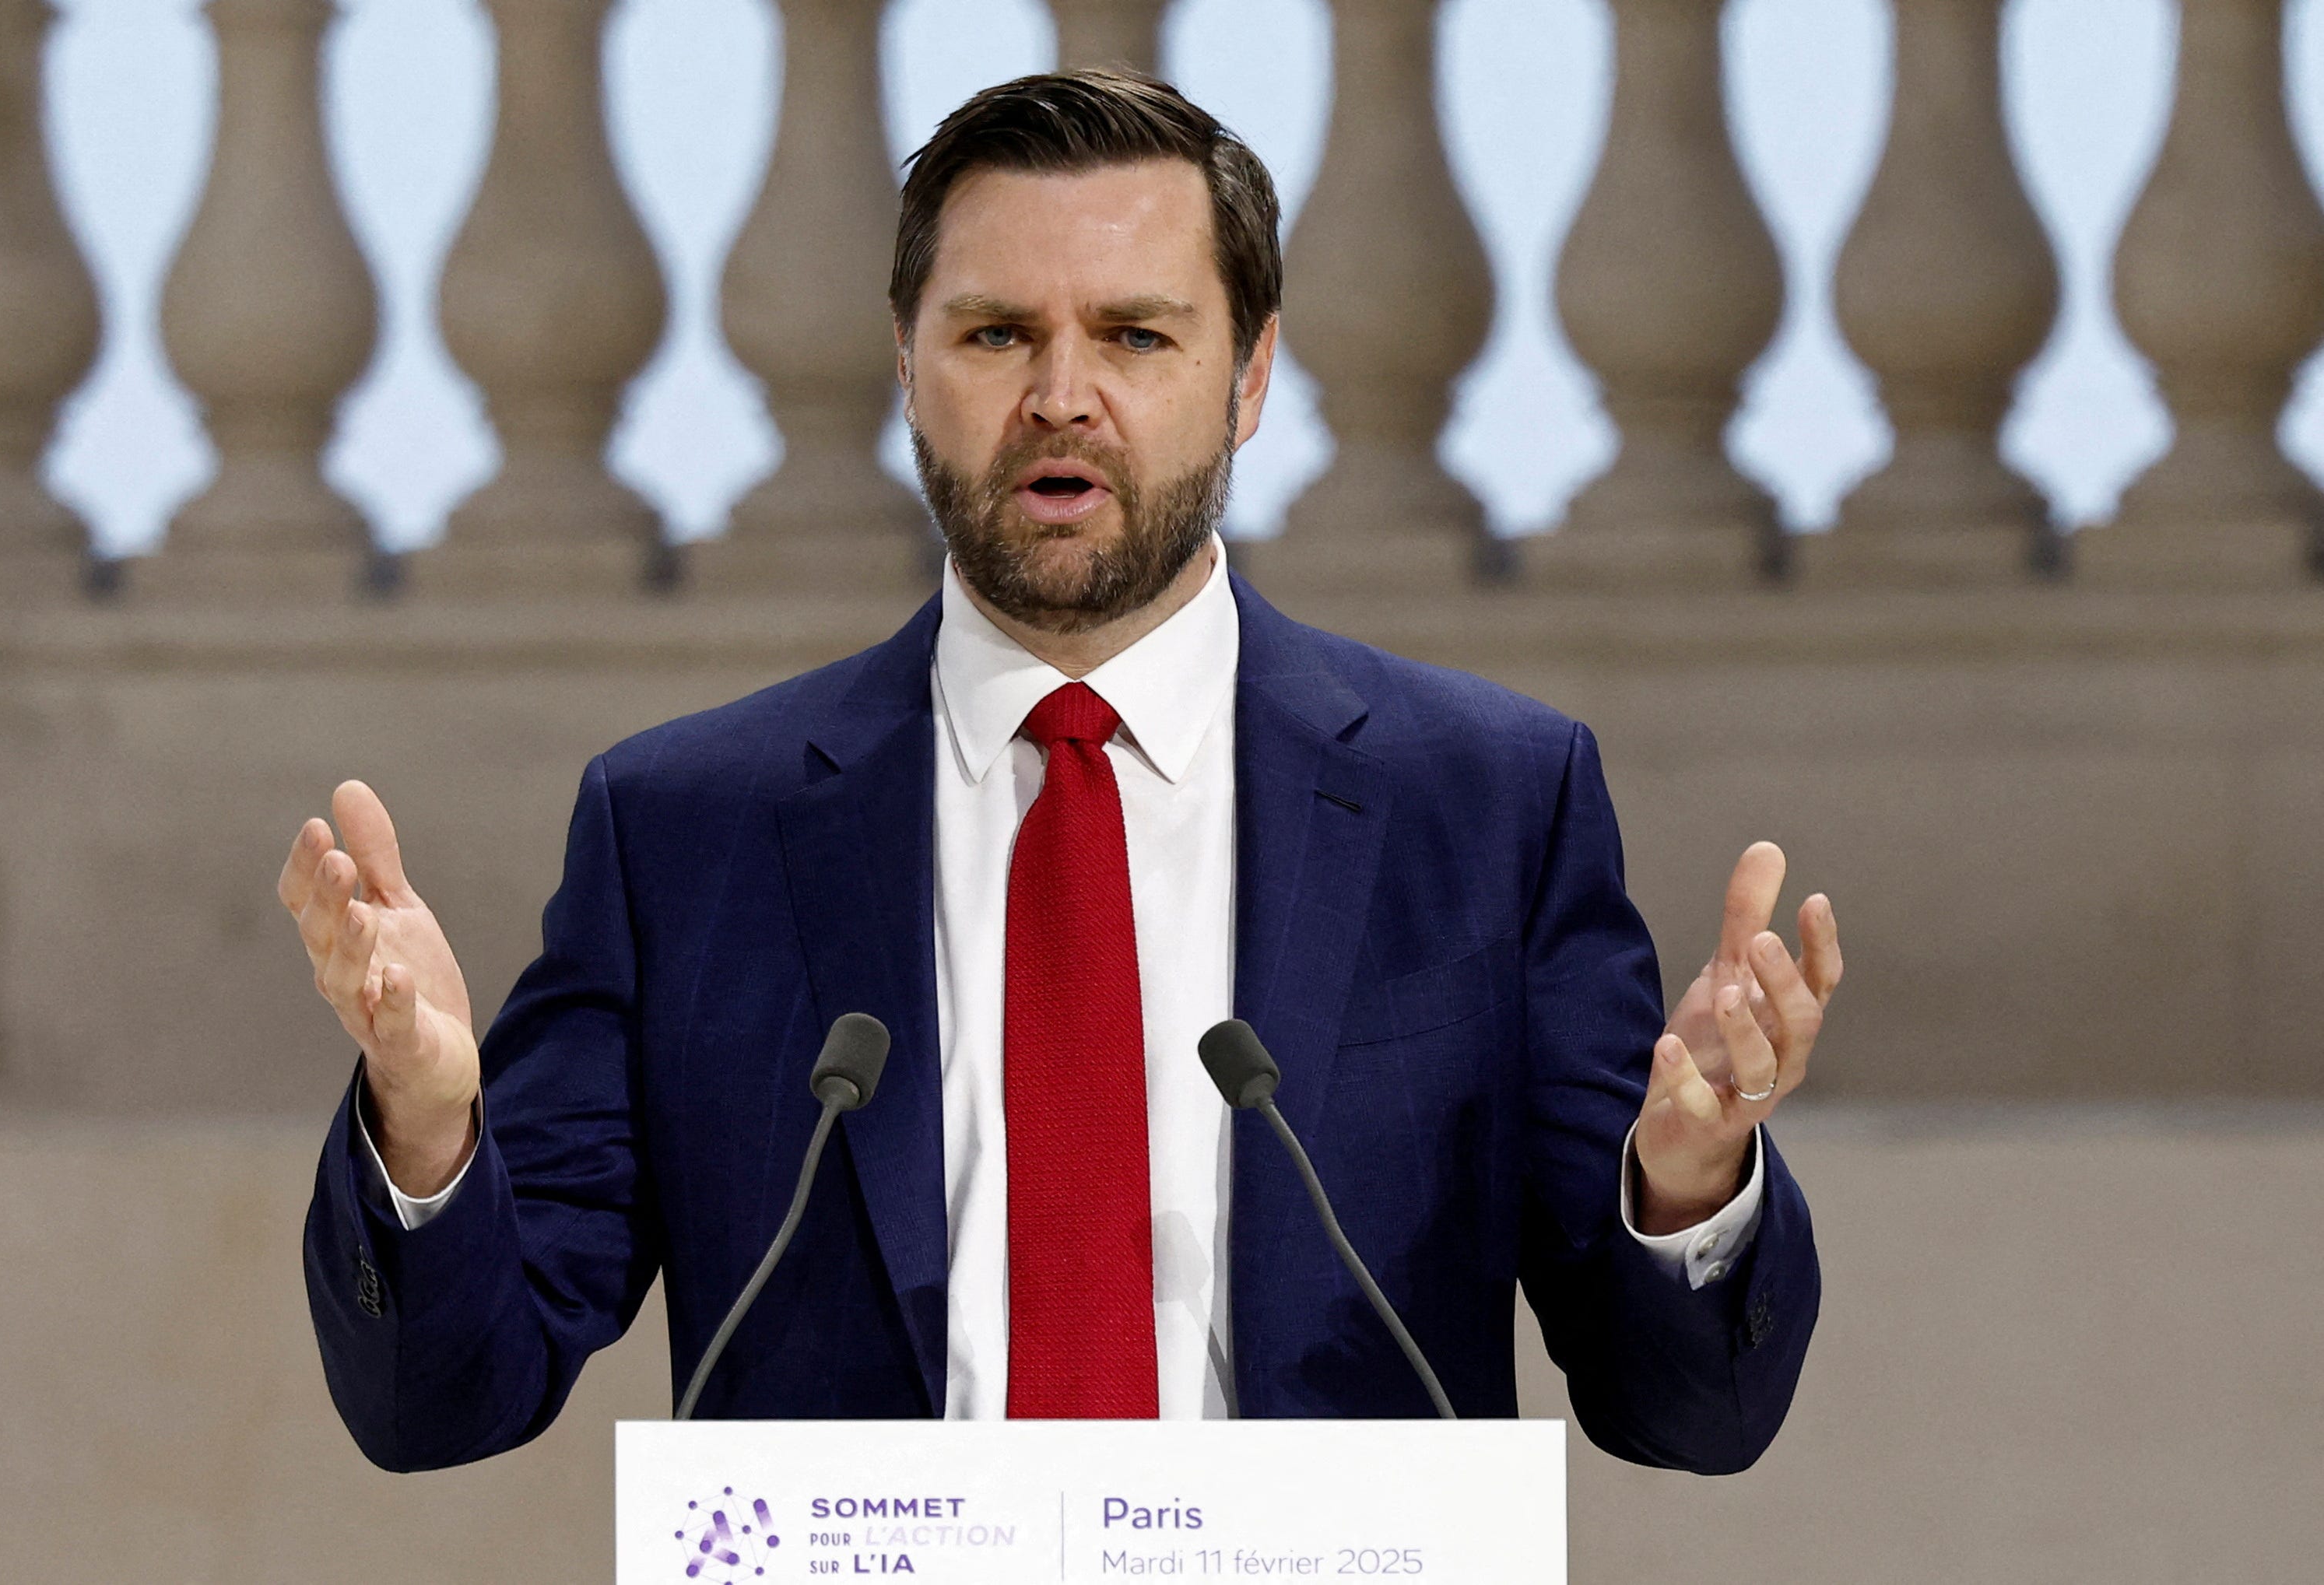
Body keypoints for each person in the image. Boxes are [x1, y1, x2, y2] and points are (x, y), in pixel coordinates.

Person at [286, 71, 1838, 1472]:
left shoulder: (1484, 806)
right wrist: (425, 1126)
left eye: (1136, 334)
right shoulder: (687, 828)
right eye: (995, 333)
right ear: (907, 365)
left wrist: (1690, 1187)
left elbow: (1686, 1407)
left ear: (1248, 375)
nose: (1059, 394)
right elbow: (446, 1397)